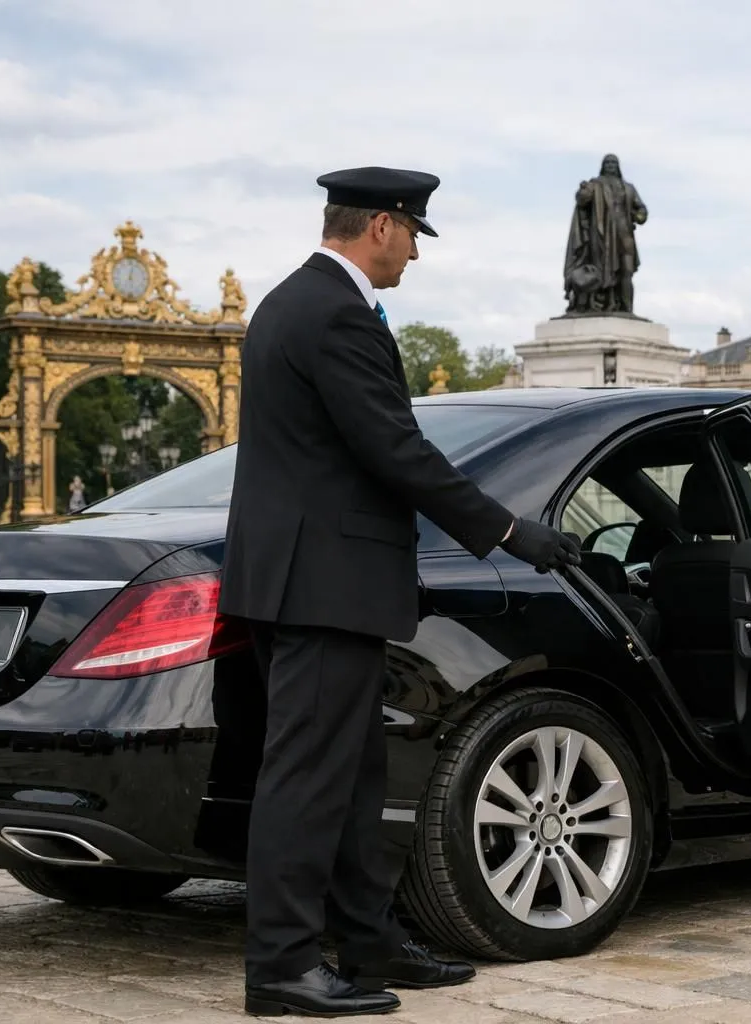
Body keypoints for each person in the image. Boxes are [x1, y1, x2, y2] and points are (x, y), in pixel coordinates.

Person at [220, 166, 581, 1018]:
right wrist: (509, 531)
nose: (415, 253)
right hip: (323, 583)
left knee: (350, 777)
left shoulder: (292, 303)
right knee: (309, 779)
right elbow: (394, 448)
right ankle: (281, 967)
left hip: (307, 578)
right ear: (381, 224)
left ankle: (369, 940)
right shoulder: (335, 312)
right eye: (414, 233)